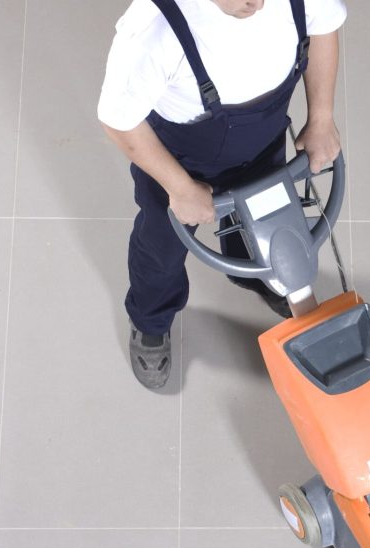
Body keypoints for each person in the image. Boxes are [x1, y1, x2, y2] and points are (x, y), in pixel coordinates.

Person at [98, 0, 346, 388]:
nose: (257, 3)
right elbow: (119, 120)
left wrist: (321, 118)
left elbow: (324, 28)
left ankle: (260, 274)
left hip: (264, 147)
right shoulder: (155, 27)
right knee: (161, 251)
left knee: (269, 226)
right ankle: (151, 319)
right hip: (181, 164)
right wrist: (180, 190)